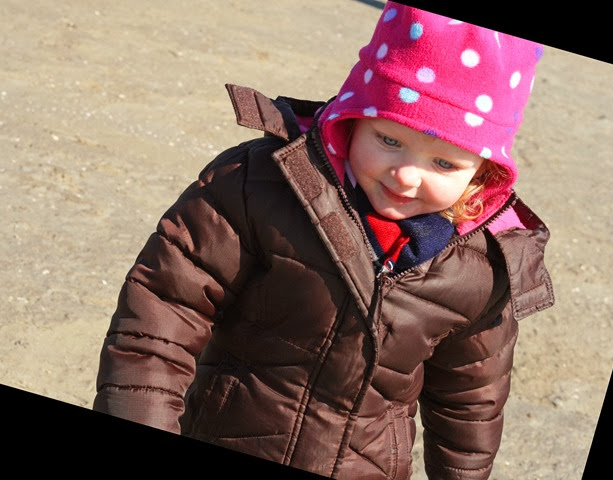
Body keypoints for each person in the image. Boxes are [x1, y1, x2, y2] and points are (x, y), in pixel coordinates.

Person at [93, 3, 554, 479]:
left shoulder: (481, 267)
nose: (407, 175)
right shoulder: (262, 184)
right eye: (389, 140)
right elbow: (163, 309)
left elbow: (469, 402)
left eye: (444, 164)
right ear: (353, 117)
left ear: (484, 173)